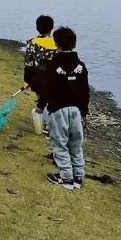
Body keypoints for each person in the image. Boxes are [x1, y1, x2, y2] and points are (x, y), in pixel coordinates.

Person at [36, 26, 89, 190]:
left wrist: (40, 105)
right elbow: (85, 90)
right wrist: (84, 111)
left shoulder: (53, 64)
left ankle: (66, 177)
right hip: (76, 110)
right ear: (73, 44)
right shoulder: (80, 66)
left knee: (59, 143)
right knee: (75, 143)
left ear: (56, 43)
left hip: (58, 109)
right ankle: (78, 176)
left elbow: (46, 88)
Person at [23, 14, 56, 133]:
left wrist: (26, 80)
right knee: (52, 101)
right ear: (51, 28)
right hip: (56, 78)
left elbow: (29, 64)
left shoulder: (32, 43)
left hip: (39, 79)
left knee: (41, 99)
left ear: (37, 27)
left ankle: (47, 125)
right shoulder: (57, 43)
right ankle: (51, 124)